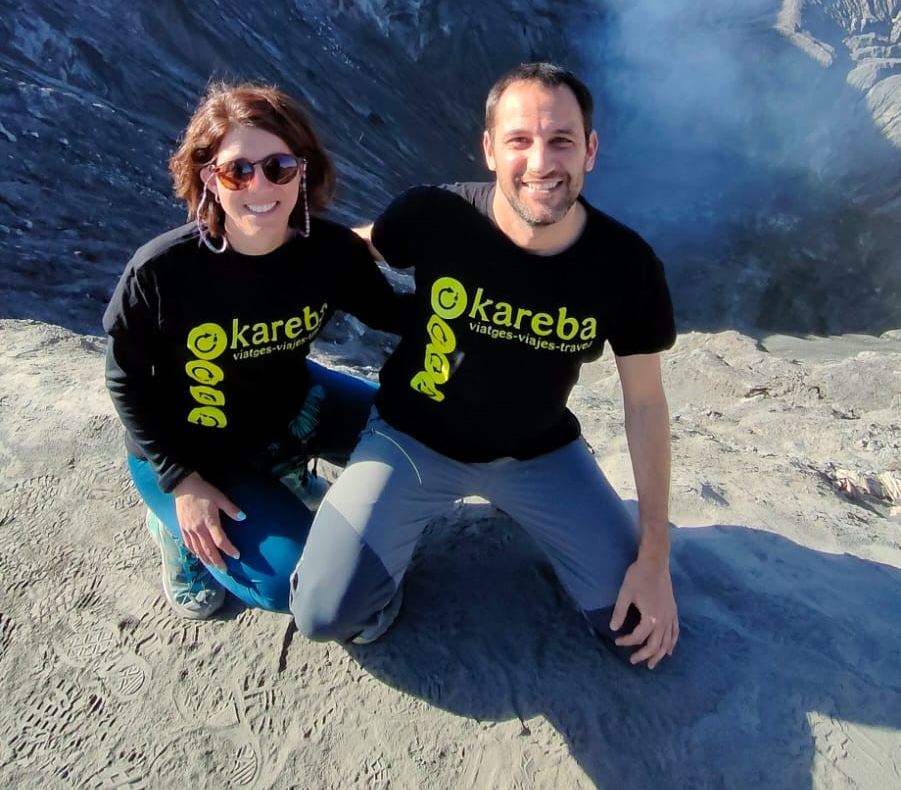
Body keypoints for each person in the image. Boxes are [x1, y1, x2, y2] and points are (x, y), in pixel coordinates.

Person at [291, 62, 679, 668]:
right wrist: (257, 266)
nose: (542, 163)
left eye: (561, 141)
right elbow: (362, 245)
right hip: (412, 437)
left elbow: (647, 405)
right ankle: (381, 552)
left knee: (630, 629)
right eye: (520, 140)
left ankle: (532, 513)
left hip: (539, 452)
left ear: (591, 150)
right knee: (326, 612)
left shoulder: (626, 267)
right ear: (490, 150)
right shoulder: (435, 215)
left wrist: (655, 556)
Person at [104, 81, 407, 620]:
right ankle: (175, 526)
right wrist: (183, 481)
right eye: (237, 170)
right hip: (192, 451)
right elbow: (126, 377)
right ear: (209, 180)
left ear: (302, 172)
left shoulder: (329, 254)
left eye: (279, 167)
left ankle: (280, 477)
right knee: (292, 581)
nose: (259, 184)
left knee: (418, 440)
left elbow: (399, 317)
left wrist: (474, 264)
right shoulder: (162, 271)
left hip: (290, 409)